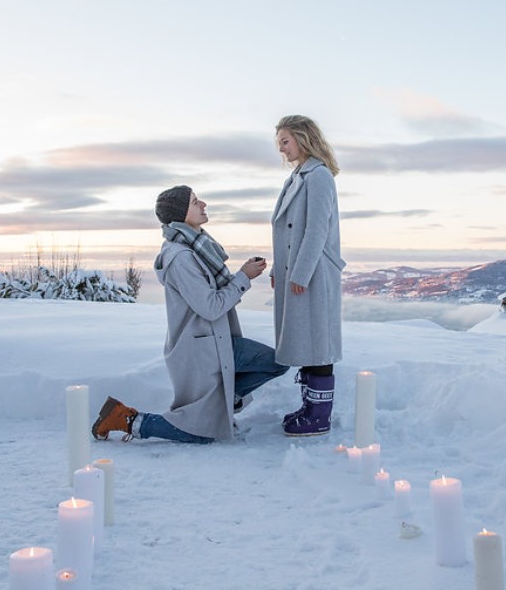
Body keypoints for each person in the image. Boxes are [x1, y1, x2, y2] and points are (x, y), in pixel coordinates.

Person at [91, 185, 288, 444]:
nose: (203, 204)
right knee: (199, 431)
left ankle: (221, 405)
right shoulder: (181, 258)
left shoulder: (197, 248)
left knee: (278, 362)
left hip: (217, 342)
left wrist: (243, 274)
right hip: (202, 347)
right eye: (195, 202)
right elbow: (210, 307)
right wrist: (243, 277)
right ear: (181, 214)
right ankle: (126, 419)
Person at [271, 115, 345, 437]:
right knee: (306, 341)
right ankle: (309, 408)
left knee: (317, 342)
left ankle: (319, 416)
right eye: (280, 143)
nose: (282, 149)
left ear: (303, 138)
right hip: (300, 270)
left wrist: (300, 273)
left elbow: (316, 230)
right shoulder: (299, 175)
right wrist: (278, 269)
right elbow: (288, 233)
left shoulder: (319, 176)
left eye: (285, 141)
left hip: (314, 273)